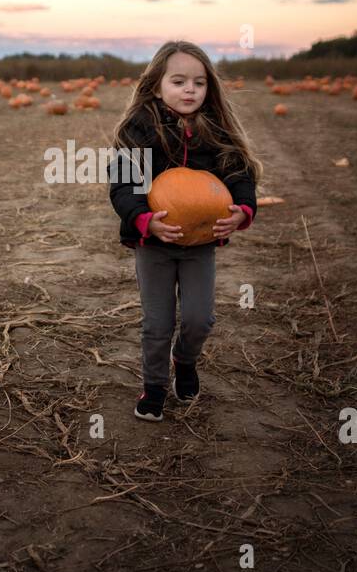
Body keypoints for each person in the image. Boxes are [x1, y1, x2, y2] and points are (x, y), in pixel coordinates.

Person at [108, 40, 263, 422]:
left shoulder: (216, 131)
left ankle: (186, 360)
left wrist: (243, 211)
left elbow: (240, 176)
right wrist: (144, 220)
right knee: (157, 323)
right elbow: (122, 186)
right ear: (156, 85)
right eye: (178, 81)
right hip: (153, 242)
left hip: (200, 240)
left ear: (209, 88)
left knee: (199, 319)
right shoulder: (139, 129)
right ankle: (155, 387)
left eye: (199, 82)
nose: (190, 90)